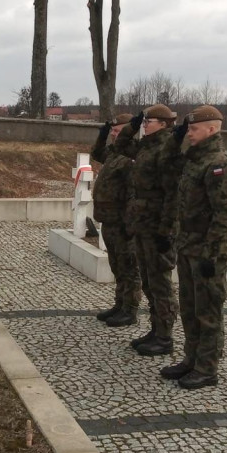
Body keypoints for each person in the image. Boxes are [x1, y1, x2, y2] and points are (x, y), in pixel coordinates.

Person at [161, 105, 227, 389]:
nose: (190, 134)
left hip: (207, 252)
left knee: (208, 312)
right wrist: (176, 136)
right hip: (188, 247)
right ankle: (191, 360)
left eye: (193, 129)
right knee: (189, 309)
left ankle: (207, 368)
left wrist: (211, 252)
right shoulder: (194, 160)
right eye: (188, 129)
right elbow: (166, 161)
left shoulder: (219, 165)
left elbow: (224, 215)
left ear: (211, 129)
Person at [112, 104, 185, 356]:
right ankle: (156, 330)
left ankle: (165, 337)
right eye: (143, 121)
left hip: (157, 226)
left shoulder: (167, 148)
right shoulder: (148, 145)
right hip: (143, 224)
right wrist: (132, 124)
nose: (145, 124)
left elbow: (172, 195)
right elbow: (119, 146)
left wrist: (166, 232)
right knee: (148, 281)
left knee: (160, 282)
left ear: (164, 124)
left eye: (148, 121)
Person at [91, 113, 141, 327]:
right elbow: (96, 153)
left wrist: (130, 224)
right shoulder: (114, 152)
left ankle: (130, 309)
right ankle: (119, 304)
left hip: (122, 223)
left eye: (116, 130)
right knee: (117, 265)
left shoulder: (131, 155)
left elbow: (133, 192)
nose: (113, 133)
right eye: (111, 130)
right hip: (109, 220)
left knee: (129, 267)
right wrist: (101, 137)